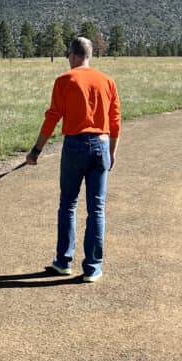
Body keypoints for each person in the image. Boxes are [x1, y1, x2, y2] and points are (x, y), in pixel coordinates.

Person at [25, 37, 121, 283]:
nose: (68, 60)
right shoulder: (108, 81)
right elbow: (115, 121)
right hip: (100, 144)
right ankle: (92, 267)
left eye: (68, 55)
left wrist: (37, 150)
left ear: (75, 55)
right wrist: (112, 151)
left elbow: (52, 117)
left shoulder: (64, 81)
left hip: (75, 145)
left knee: (68, 204)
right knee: (96, 209)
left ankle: (63, 261)